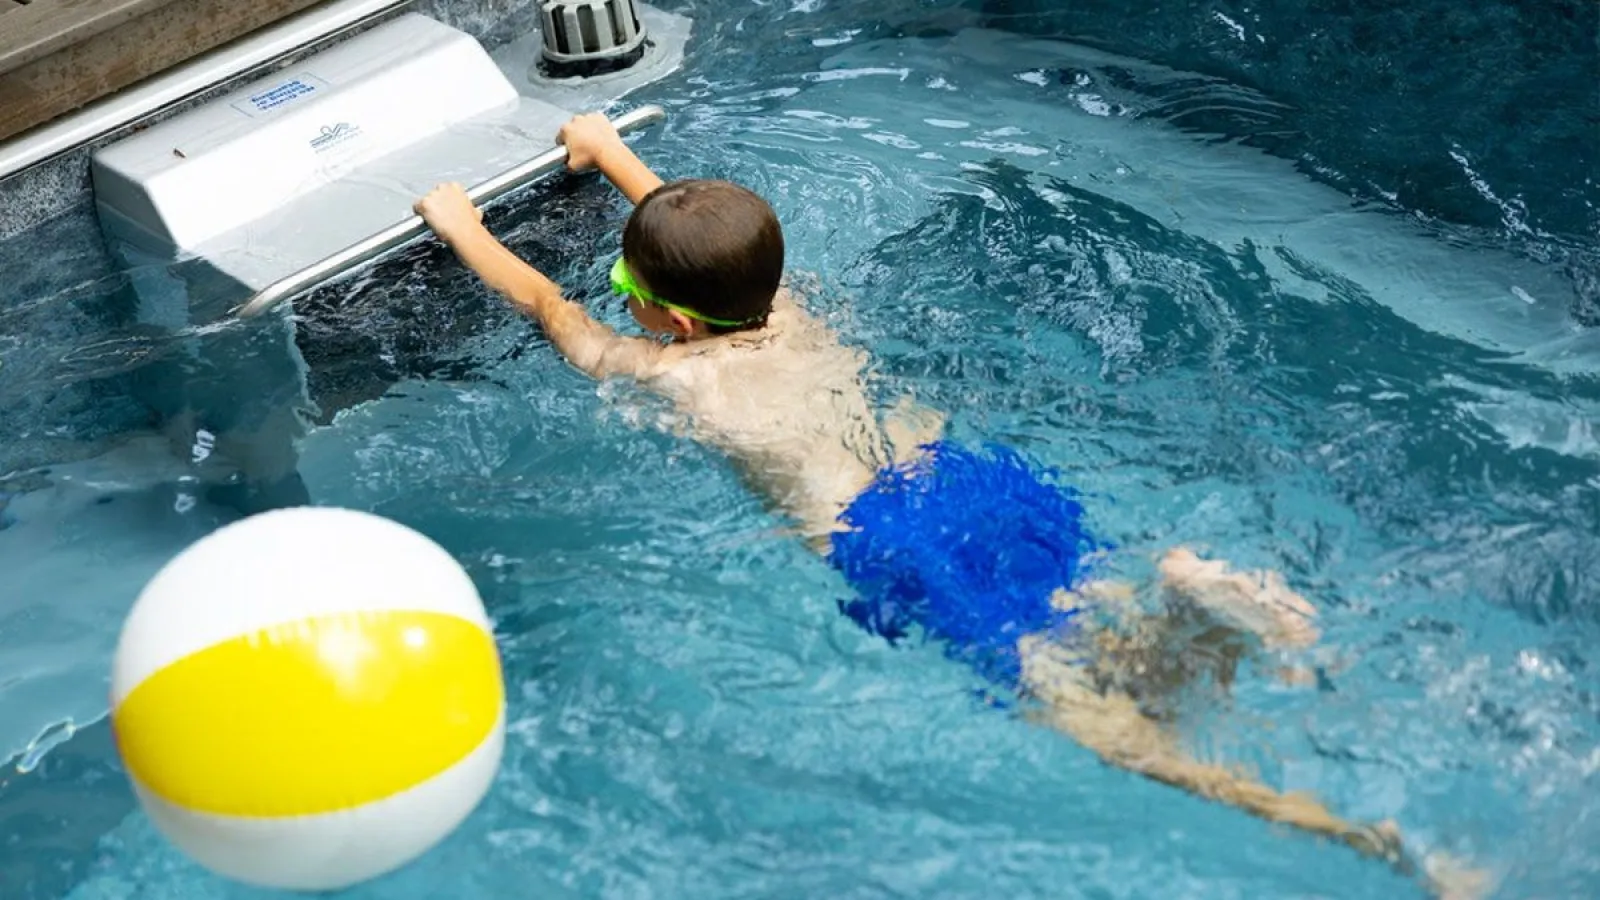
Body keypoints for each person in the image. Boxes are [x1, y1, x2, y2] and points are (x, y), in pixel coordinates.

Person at [414, 113, 1486, 899]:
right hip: (968, 478)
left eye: (637, 291)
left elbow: (550, 305)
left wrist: (458, 220)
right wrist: (609, 155)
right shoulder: (792, 308)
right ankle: (1191, 603)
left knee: (1109, 731)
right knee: (1093, 612)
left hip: (891, 542)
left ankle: (1373, 842)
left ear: (673, 324)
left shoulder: (674, 376)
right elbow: (712, 247)